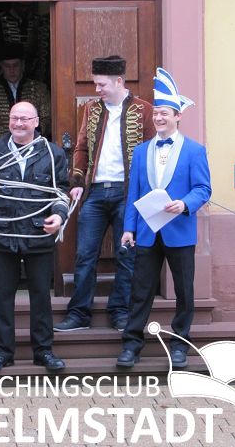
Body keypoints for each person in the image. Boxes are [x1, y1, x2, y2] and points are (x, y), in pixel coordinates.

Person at [116, 67, 211, 369]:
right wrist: (128, 228)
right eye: (156, 113)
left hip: (179, 230)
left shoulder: (195, 151)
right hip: (147, 231)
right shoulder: (142, 151)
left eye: (164, 113)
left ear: (178, 116)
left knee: (184, 291)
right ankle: (132, 345)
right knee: (140, 290)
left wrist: (185, 204)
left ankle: (180, 344)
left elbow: (203, 189)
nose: (158, 118)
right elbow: (134, 192)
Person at [54, 56, 155, 333]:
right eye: (96, 84)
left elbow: (151, 152)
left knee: (127, 255)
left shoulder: (144, 110)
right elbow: (81, 147)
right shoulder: (91, 109)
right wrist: (77, 180)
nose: (97, 89)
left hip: (128, 194)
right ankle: (79, 314)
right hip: (95, 193)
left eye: (102, 85)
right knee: (85, 255)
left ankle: (120, 311)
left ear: (119, 81)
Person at [0, 101, 69, 373]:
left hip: (38, 234)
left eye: (25, 119)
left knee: (41, 296)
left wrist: (59, 216)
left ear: (36, 122)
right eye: (15, 118)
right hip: (4, 234)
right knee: (3, 298)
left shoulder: (52, 153)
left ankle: (44, 351)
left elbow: (61, 191)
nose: (19, 123)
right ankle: (3, 352)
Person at [0, 43, 51, 146]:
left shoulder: (39, 89)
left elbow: (47, 118)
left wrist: (33, 135)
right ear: (1, 66)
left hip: (32, 145)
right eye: (7, 66)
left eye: (15, 65)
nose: (11, 70)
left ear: (22, 65)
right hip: (0, 148)